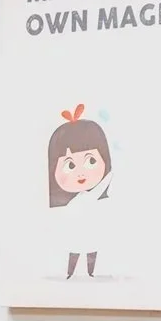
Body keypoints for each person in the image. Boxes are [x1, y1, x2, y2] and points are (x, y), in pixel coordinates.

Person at [45, 108, 113, 278]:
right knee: (75, 248)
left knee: (91, 247)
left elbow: (103, 183)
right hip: (74, 230)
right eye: (70, 165)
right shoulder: (73, 202)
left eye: (91, 161)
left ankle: (91, 272)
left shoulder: (92, 196)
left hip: (91, 229)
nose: (81, 173)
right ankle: (70, 273)